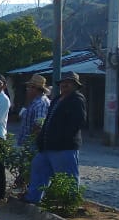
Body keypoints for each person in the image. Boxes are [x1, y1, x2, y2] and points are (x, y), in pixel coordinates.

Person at [25, 72, 88, 204]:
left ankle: (70, 204)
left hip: (64, 147)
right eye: (63, 82)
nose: (64, 84)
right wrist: (41, 139)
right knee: (38, 169)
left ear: (75, 85)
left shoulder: (77, 99)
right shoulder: (57, 100)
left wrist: (61, 137)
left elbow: (78, 123)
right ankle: (33, 199)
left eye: (68, 82)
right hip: (47, 146)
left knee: (67, 178)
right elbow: (47, 121)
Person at [17, 74, 51, 146]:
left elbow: (38, 126)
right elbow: (20, 115)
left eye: (29, 87)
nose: (27, 89)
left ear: (36, 89)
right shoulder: (32, 100)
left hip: (32, 146)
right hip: (24, 144)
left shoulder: (41, 103)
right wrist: (27, 101)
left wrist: (29, 143)